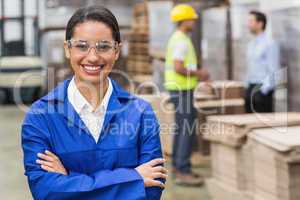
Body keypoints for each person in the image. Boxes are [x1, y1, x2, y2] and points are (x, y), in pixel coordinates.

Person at [21, 6, 167, 200]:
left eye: (103, 46)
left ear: (116, 51)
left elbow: (151, 190)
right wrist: (134, 179)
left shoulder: (141, 113)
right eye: (82, 46)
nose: (92, 57)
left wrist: (69, 179)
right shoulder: (40, 116)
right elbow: (46, 192)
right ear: (67, 49)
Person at [164, 4, 209, 186]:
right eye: (191, 19)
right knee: (186, 130)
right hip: (182, 91)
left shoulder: (179, 38)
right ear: (184, 20)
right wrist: (200, 74)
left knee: (181, 128)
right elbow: (178, 67)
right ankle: (182, 171)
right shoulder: (181, 40)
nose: (193, 22)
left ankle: (178, 166)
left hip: (180, 90)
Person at [245, 10, 280, 113]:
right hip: (251, 88)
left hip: (262, 90)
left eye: (251, 21)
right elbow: (250, 67)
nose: (248, 24)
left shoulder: (270, 44)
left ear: (260, 24)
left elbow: (274, 70)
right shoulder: (251, 44)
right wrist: (247, 88)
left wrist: (263, 92)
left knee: (262, 125)